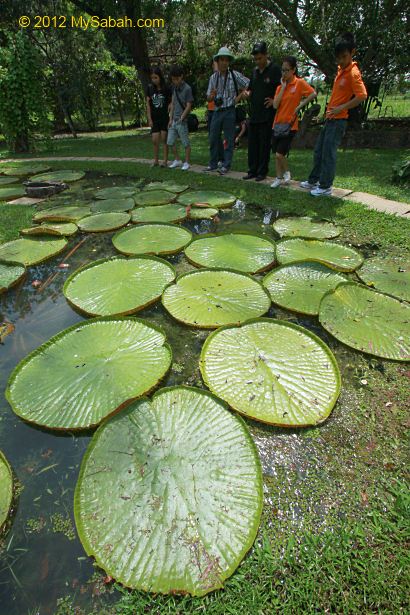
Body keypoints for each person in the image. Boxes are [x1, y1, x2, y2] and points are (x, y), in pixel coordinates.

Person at [300, 32, 367, 196]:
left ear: (352, 53)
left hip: (339, 120)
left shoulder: (353, 73)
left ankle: (325, 187)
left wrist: (341, 108)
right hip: (330, 119)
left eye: (344, 57)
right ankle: (313, 180)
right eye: (338, 58)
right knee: (319, 150)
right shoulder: (341, 71)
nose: (341, 61)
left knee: (328, 153)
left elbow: (362, 95)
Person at [270, 56, 317, 188]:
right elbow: (275, 105)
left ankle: (286, 172)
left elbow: (313, 93)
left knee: (280, 154)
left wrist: (300, 106)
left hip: (290, 125)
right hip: (277, 124)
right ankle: (278, 178)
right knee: (276, 155)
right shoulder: (280, 87)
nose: (284, 73)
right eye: (282, 70)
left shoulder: (299, 83)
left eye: (287, 70)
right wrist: (284, 87)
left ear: (293, 70)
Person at [204, 46, 249, 175]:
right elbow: (208, 98)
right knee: (213, 137)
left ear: (229, 62)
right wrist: (210, 97)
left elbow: (249, 84)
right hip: (217, 111)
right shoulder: (213, 78)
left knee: (229, 139)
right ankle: (213, 164)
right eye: (221, 60)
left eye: (226, 60)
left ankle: (226, 165)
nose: (223, 62)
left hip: (230, 110)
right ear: (217, 62)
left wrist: (241, 96)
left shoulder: (234, 75)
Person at [241, 42, 281, 181]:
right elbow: (251, 88)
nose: (258, 62)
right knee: (253, 144)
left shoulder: (275, 70)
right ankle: (252, 170)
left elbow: (282, 88)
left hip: (267, 114)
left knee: (264, 144)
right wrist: (247, 94)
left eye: (260, 58)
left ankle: (261, 172)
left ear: (265, 55)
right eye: (256, 59)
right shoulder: (255, 72)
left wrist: (274, 100)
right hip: (255, 113)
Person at [167, 65, 194, 171]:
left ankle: (187, 162)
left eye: (177, 79)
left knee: (185, 142)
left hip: (182, 121)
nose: (175, 81)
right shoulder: (174, 88)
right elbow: (173, 103)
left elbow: (188, 105)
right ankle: (177, 159)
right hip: (174, 120)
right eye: (173, 79)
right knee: (170, 141)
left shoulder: (187, 88)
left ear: (181, 77)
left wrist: (182, 118)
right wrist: (170, 119)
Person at [145, 67, 172, 167]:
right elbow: (148, 104)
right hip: (154, 118)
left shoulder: (166, 88)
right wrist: (149, 119)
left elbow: (172, 100)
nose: (154, 80)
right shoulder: (149, 88)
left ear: (160, 77)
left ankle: (165, 161)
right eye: (152, 78)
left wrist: (170, 105)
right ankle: (156, 160)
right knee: (155, 140)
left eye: (156, 77)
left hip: (164, 117)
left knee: (164, 139)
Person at [206, 60, 224, 166]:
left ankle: (221, 158)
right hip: (211, 110)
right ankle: (216, 158)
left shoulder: (224, 77)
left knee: (216, 135)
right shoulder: (212, 78)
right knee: (212, 136)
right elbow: (209, 96)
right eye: (214, 64)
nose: (215, 66)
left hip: (219, 110)